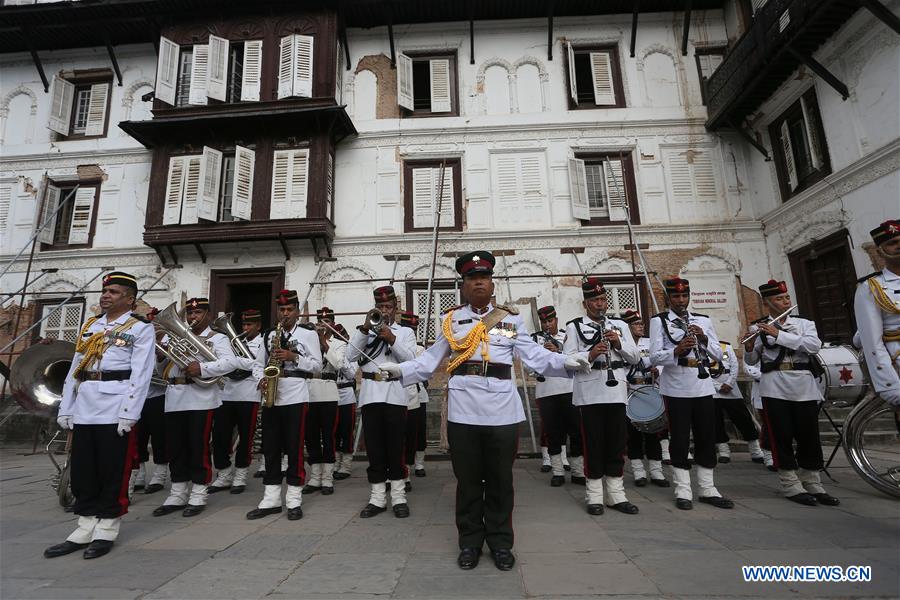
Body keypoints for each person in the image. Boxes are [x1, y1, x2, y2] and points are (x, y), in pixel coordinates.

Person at [380, 251, 589, 571]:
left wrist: (566, 363)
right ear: (463, 285)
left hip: (503, 411)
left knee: (501, 481)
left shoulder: (510, 320)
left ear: (492, 283)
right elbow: (429, 360)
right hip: (464, 412)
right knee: (467, 483)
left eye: (484, 277)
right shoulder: (452, 320)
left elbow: (534, 356)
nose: (479, 282)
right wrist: (400, 371)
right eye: (472, 278)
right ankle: (470, 543)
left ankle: (501, 542)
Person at [45, 272, 155, 560]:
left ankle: (107, 527)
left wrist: (129, 413)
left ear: (130, 299)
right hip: (85, 404)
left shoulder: (140, 328)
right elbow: (75, 370)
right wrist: (66, 408)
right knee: (83, 469)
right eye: (105, 291)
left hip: (115, 405)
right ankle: (84, 525)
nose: (106, 296)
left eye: (114, 292)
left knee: (112, 470)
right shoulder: (90, 326)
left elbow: (141, 375)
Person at [744, 280, 838, 506]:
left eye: (786, 298)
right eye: (779, 299)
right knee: (781, 435)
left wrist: (779, 334)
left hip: (803, 384)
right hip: (774, 385)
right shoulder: (758, 328)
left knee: (809, 436)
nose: (785, 302)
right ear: (767, 303)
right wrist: (748, 349)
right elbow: (753, 360)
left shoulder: (805, 324)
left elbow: (813, 346)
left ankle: (813, 482)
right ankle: (790, 484)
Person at [649, 277, 732, 511]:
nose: (681, 300)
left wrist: (703, 338)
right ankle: (683, 489)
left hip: (703, 384)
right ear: (668, 298)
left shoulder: (703, 320)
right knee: (680, 438)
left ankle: (707, 488)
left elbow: (719, 355)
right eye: (676, 296)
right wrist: (676, 350)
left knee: (706, 435)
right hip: (675, 386)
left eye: (685, 296)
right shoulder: (659, 321)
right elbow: (654, 356)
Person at [153, 298, 237, 518]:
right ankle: (178, 493)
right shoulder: (173, 336)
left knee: (198, 447)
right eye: (190, 314)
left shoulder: (217, 337)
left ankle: (199, 493)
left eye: (198, 313)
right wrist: (161, 357)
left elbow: (229, 363)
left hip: (201, 398)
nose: (193, 317)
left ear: (208, 315)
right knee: (175, 447)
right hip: (174, 397)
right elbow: (160, 369)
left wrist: (202, 367)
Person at [564, 280, 640, 515]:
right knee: (594, 444)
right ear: (585, 303)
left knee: (616, 443)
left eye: (603, 300)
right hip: (590, 393)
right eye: (595, 301)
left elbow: (635, 358)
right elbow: (566, 360)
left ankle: (616, 495)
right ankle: (595, 496)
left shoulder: (618, 325)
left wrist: (618, 343)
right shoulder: (574, 326)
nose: (600, 304)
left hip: (616, 391)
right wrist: (590, 353)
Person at [247, 290, 322, 520]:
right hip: (272, 394)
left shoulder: (308, 335)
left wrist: (293, 357)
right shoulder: (269, 334)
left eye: (290, 310)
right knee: (270, 448)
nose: (285, 314)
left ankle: (293, 499)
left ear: (297, 311)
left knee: (294, 447)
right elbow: (257, 364)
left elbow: (317, 366)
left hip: (296, 395)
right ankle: (270, 499)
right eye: (282, 310)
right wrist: (260, 378)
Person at [346, 286, 417, 518]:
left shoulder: (404, 332)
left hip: (395, 394)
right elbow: (350, 357)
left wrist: (392, 338)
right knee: (375, 449)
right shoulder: (364, 333)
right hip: (370, 395)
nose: (384, 311)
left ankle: (398, 496)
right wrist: (366, 328)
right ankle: (377, 498)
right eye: (381, 307)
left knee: (396, 447)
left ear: (395, 308)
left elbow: (411, 361)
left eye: (388, 307)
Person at [209, 309, 264, 494]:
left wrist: (234, 361)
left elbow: (258, 364)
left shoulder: (263, 342)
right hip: (227, 393)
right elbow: (222, 361)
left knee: (246, 437)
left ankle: (240, 475)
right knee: (219, 435)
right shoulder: (231, 343)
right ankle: (223, 474)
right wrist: (236, 361)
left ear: (258, 326)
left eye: (250, 325)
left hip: (249, 393)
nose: (246, 328)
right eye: (243, 325)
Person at [530, 305, 582, 486]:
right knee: (553, 433)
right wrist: (544, 355)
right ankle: (558, 471)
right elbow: (530, 367)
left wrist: (558, 352)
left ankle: (578, 471)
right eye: (544, 322)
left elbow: (574, 359)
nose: (547, 325)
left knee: (576, 431)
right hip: (546, 391)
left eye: (550, 321)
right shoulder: (534, 339)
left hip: (568, 389)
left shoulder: (566, 337)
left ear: (556, 320)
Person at [854, 220, 900, 413]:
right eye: (892, 242)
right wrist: (892, 389)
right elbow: (872, 343)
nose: (899, 245)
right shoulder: (871, 288)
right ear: (879, 251)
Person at [621, 310, 669, 488]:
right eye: (636, 324)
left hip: (650, 391)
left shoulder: (650, 343)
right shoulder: (623, 345)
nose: (641, 326)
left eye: (641, 323)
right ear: (627, 327)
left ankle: (656, 472)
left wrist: (659, 371)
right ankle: (639, 472)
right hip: (630, 393)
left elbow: (662, 360)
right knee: (633, 436)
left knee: (653, 434)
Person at [304, 307, 344, 496]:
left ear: (333, 324)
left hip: (328, 392)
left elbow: (339, 364)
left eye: (327, 321)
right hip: (310, 391)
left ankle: (327, 478)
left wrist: (324, 343)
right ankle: (315, 476)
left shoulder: (338, 343)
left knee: (328, 436)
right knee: (311, 436)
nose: (322, 324)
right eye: (320, 321)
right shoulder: (308, 340)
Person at [134, 306, 169, 495]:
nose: (153, 327)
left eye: (156, 323)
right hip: (139, 395)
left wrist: (161, 356)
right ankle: (139, 474)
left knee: (159, 437)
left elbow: (170, 370)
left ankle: (160, 475)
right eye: (150, 323)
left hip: (159, 395)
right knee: (138, 437)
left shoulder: (170, 340)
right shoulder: (139, 340)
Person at [711, 340, 764, 464]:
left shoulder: (725, 346)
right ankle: (724, 451)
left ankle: (755, 451)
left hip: (731, 388)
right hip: (712, 389)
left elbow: (734, 365)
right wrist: (718, 386)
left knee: (744, 419)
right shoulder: (700, 349)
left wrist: (729, 383)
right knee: (715, 421)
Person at [399, 311, 426, 488]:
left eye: (414, 329)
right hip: (396, 393)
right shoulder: (395, 344)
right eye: (409, 328)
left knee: (416, 433)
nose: (412, 332)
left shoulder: (419, 349)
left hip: (416, 393)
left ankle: (417, 464)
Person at [333, 323, 359, 480]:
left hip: (347, 394)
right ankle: (335, 462)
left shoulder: (351, 353)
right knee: (334, 431)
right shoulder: (331, 350)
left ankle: (346, 465)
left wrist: (341, 361)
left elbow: (351, 374)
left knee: (347, 430)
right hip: (332, 392)